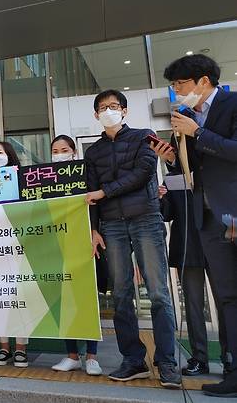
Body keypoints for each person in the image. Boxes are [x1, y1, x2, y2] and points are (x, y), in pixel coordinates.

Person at [153, 54, 237, 397]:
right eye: (173, 85)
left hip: (232, 210)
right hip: (205, 217)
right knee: (228, 296)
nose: (177, 91)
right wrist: (174, 158)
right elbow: (192, 172)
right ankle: (232, 368)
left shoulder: (231, 105)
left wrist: (198, 132)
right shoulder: (186, 119)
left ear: (204, 81)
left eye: (181, 83)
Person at [84, 89, 181, 388]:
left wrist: (105, 192)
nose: (108, 111)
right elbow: (90, 193)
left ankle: (166, 361)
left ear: (124, 111)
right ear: (96, 115)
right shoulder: (93, 151)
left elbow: (142, 173)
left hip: (146, 219)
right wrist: (94, 228)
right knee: (121, 294)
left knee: (158, 293)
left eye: (114, 106)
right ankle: (133, 360)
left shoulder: (143, 137)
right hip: (111, 225)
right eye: (103, 108)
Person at [159, 177, 229, 377]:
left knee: (226, 303)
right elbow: (167, 214)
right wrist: (161, 198)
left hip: (220, 243)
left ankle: (230, 357)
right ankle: (199, 358)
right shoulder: (174, 177)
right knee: (193, 306)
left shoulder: (213, 169)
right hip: (188, 246)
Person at [48, 135, 105, 376]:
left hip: (84, 241)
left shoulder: (85, 173)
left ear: (73, 151)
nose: (59, 154)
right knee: (65, 299)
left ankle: (91, 356)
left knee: (87, 297)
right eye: (55, 150)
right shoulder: (45, 177)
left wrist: (94, 231)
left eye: (64, 149)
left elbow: (95, 204)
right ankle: (72, 355)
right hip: (58, 242)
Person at [0, 141, 29, 368]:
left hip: (17, 241)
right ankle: (3, 347)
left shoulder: (22, 177)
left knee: (19, 296)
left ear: (9, 155)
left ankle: (21, 348)